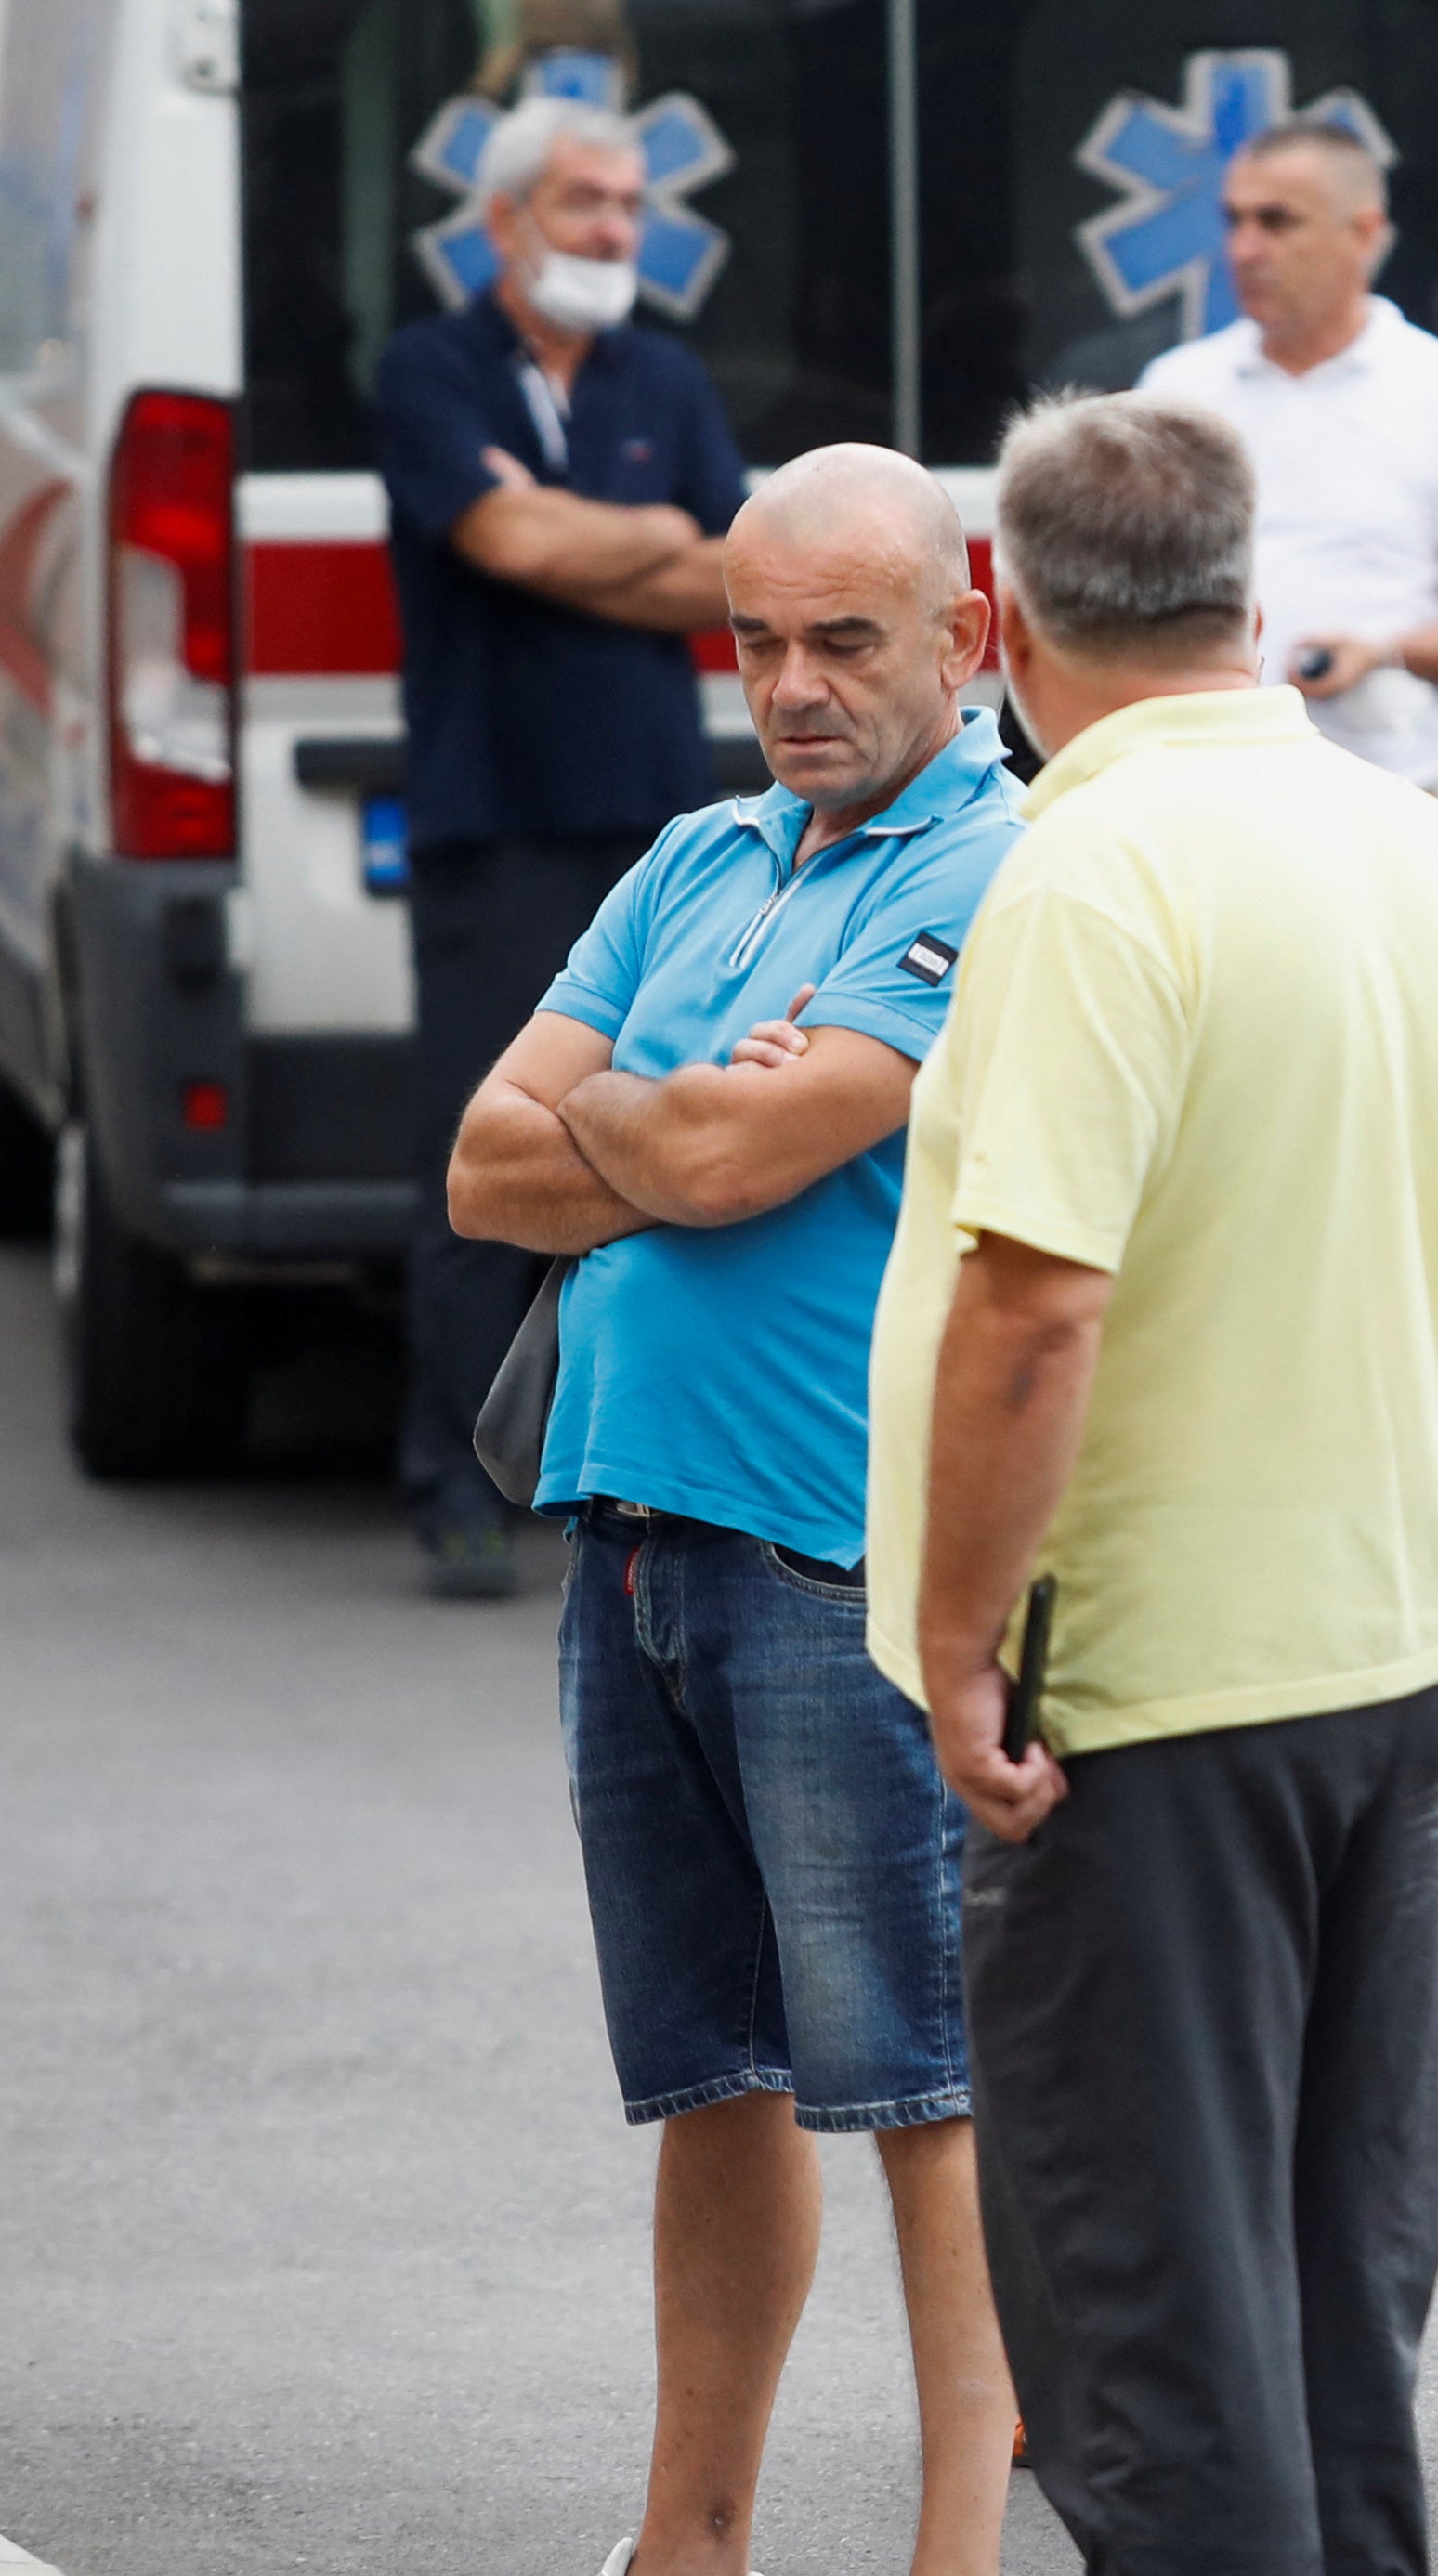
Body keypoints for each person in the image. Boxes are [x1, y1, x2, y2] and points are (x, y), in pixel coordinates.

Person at [867, 391, 1438, 2575]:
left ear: (993, 614)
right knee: (1329, 2288)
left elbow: (1037, 1310)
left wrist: (962, 1640)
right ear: (1254, 597)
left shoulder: (1088, 864)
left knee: (1158, 2328)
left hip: (1151, 1682)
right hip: (1393, 1640)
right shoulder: (1421, 846)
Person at [439, 445, 1023, 2576]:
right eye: (756, 639)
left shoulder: (992, 857)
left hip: (837, 1555)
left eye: (842, 640)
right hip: (632, 1534)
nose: (788, 684)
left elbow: (724, 1163)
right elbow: (478, 1165)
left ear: (964, 635)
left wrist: (655, 1117)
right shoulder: (699, 851)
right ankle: (693, 2538)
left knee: (924, 2088)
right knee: (710, 2074)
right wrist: (676, 1110)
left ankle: (960, 2549)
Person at [379, 89, 742, 1596]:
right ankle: (456, 1480)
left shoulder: (662, 366)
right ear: (504, 220)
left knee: (648, 1141)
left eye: (628, 206)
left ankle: (625, 1473)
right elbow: (501, 542)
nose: (615, 231)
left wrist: (582, 531)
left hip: (641, 820)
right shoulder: (427, 367)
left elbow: (723, 568)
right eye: (587, 203)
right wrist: (627, 536)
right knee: (485, 1151)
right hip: (491, 821)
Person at [1134, 115, 1438, 797]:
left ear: (1364, 234)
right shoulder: (1174, 390)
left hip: (1384, 787)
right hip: (1200, 783)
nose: (1244, 248)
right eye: (1233, 220)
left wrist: (1383, 652)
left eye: (1276, 221)